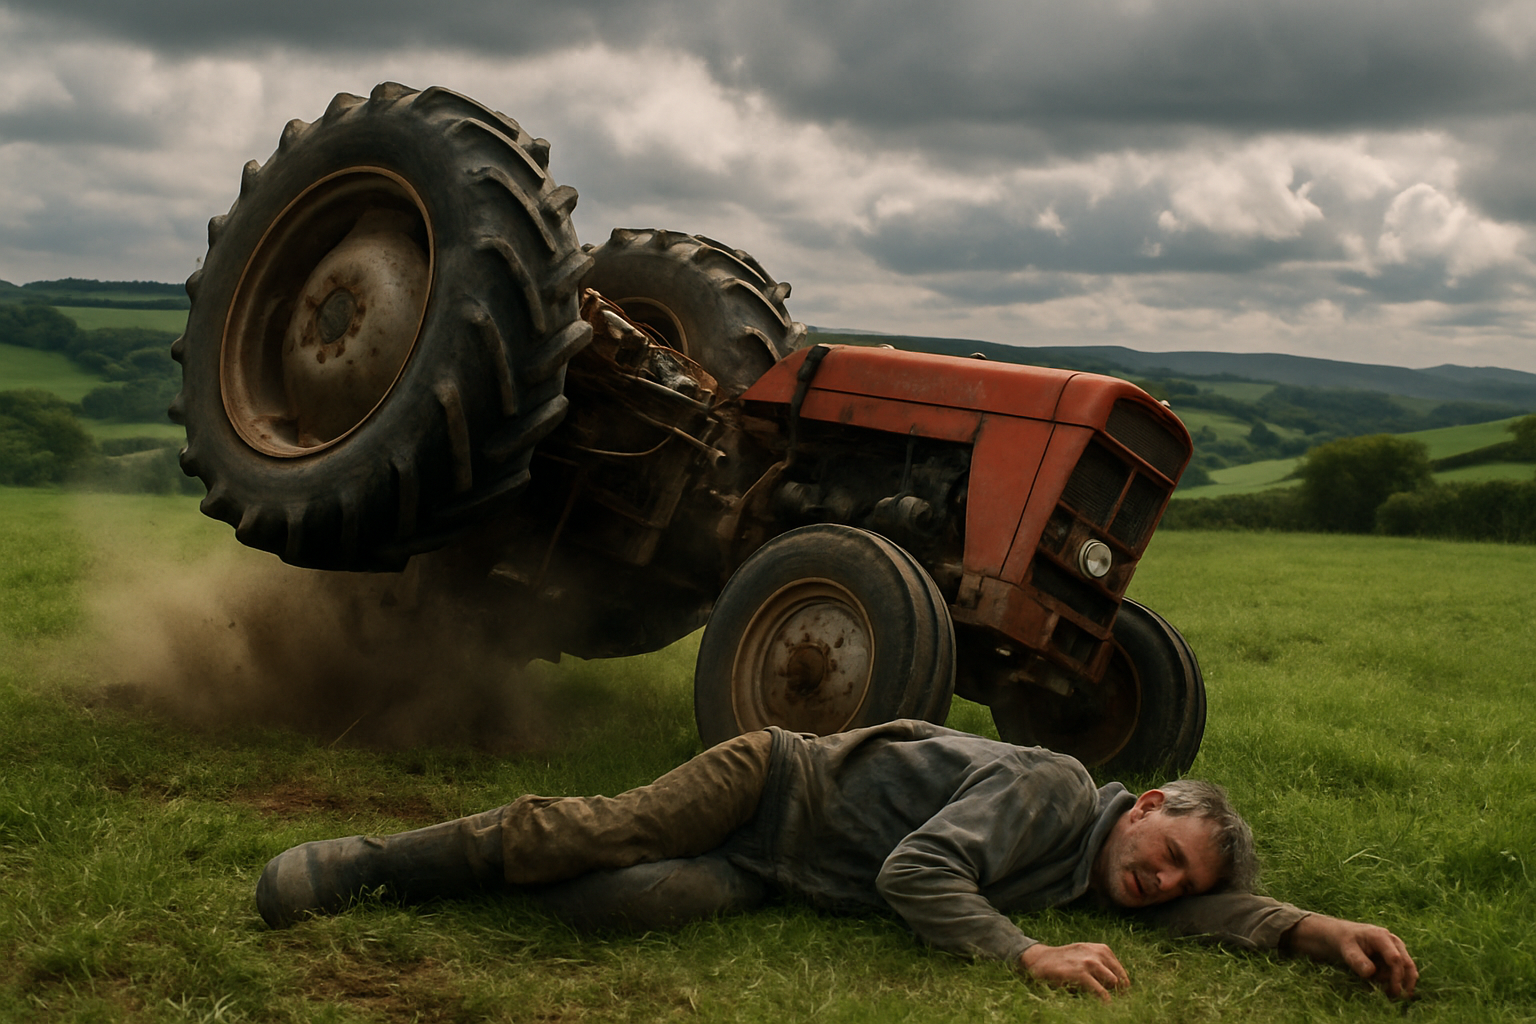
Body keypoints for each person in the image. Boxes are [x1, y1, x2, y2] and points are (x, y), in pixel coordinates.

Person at [256, 720, 1417, 1002]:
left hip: (782, 870)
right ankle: (370, 865)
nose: (1159, 884)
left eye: (1178, 882)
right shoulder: (1057, 790)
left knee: (633, 905)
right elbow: (919, 875)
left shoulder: (1092, 863)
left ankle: (494, 879)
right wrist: (1025, 955)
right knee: (598, 832)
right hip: (777, 780)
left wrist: (1313, 930)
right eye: (1166, 855)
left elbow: (1198, 919)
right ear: (1145, 803)